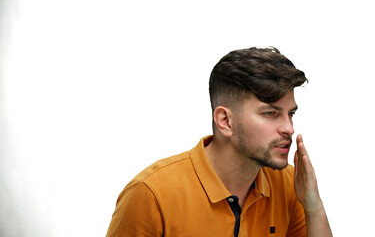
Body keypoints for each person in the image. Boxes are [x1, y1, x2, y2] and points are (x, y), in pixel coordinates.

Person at [106, 47, 332, 237]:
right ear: (225, 121)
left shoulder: (289, 185)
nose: (289, 128)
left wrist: (314, 207)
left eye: (290, 114)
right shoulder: (151, 194)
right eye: (271, 113)